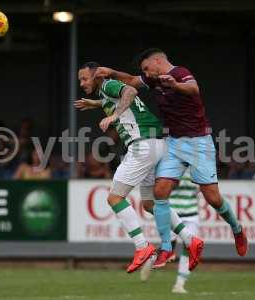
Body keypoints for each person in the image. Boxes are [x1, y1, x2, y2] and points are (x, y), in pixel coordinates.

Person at [95, 48, 248, 269]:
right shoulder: (153, 79)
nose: (146, 73)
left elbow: (193, 88)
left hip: (198, 142)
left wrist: (175, 86)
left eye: (147, 68)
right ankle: (166, 248)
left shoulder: (179, 73)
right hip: (174, 143)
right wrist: (112, 72)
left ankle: (237, 230)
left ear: (157, 61)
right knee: (159, 193)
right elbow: (130, 81)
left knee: (213, 198)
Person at [75, 62, 199, 273]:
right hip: (157, 144)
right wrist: (97, 104)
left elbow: (130, 90)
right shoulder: (106, 92)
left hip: (143, 145)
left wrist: (113, 116)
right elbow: (119, 99)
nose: (81, 83)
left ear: (97, 76)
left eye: (84, 78)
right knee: (150, 204)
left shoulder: (108, 85)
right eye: (80, 80)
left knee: (115, 198)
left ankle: (143, 247)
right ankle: (190, 239)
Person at [140, 168, 199, 294]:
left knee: (190, 246)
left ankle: (179, 284)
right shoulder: (170, 165)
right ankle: (151, 259)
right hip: (173, 213)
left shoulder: (196, 166)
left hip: (191, 214)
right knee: (169, 248)